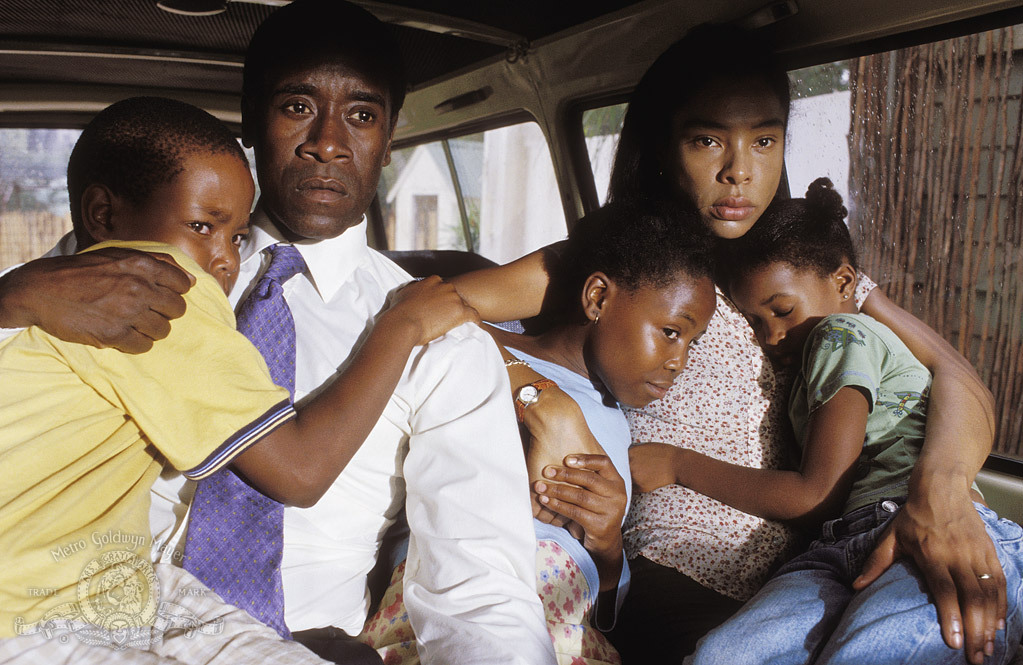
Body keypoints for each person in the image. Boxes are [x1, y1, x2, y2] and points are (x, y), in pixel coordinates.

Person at [0, 2, 556, 665]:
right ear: (251, 118)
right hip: (75, 612)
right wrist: (11, 296)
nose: (327, 142)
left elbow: (480, 590)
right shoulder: (120, 270)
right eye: (297, 107)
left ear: (389, 139)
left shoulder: (442, 343)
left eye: (361, 116)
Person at [449, 23, 1001, 663]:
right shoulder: (624, 260)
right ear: (664, 147)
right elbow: (432, 311)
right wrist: (543, 399)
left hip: (803, 573)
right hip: (673, 566)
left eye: (764, 140)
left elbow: (958, 380)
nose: (740, 171)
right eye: (707, 140)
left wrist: (941, 492)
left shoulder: (799, 267)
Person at [660, 178, 1023, 665]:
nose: (771, 336)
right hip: (836, 548)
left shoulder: (839, 332)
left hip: (924, 526)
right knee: (719, 656)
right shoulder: (807, 371)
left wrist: (675, 464)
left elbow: (816, 493)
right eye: (755, 323)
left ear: (846, 283)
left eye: (782, 310)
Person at [359, 203, 717, 664]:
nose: (679, 362)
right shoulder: (478, 342)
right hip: (448, 594)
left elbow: (603, 608)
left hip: (567, 625)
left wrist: (608, 545)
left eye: (692, 342)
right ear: (598, 298)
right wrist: (541, 402)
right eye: (670, 332)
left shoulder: (618, 418)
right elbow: (416, 314)